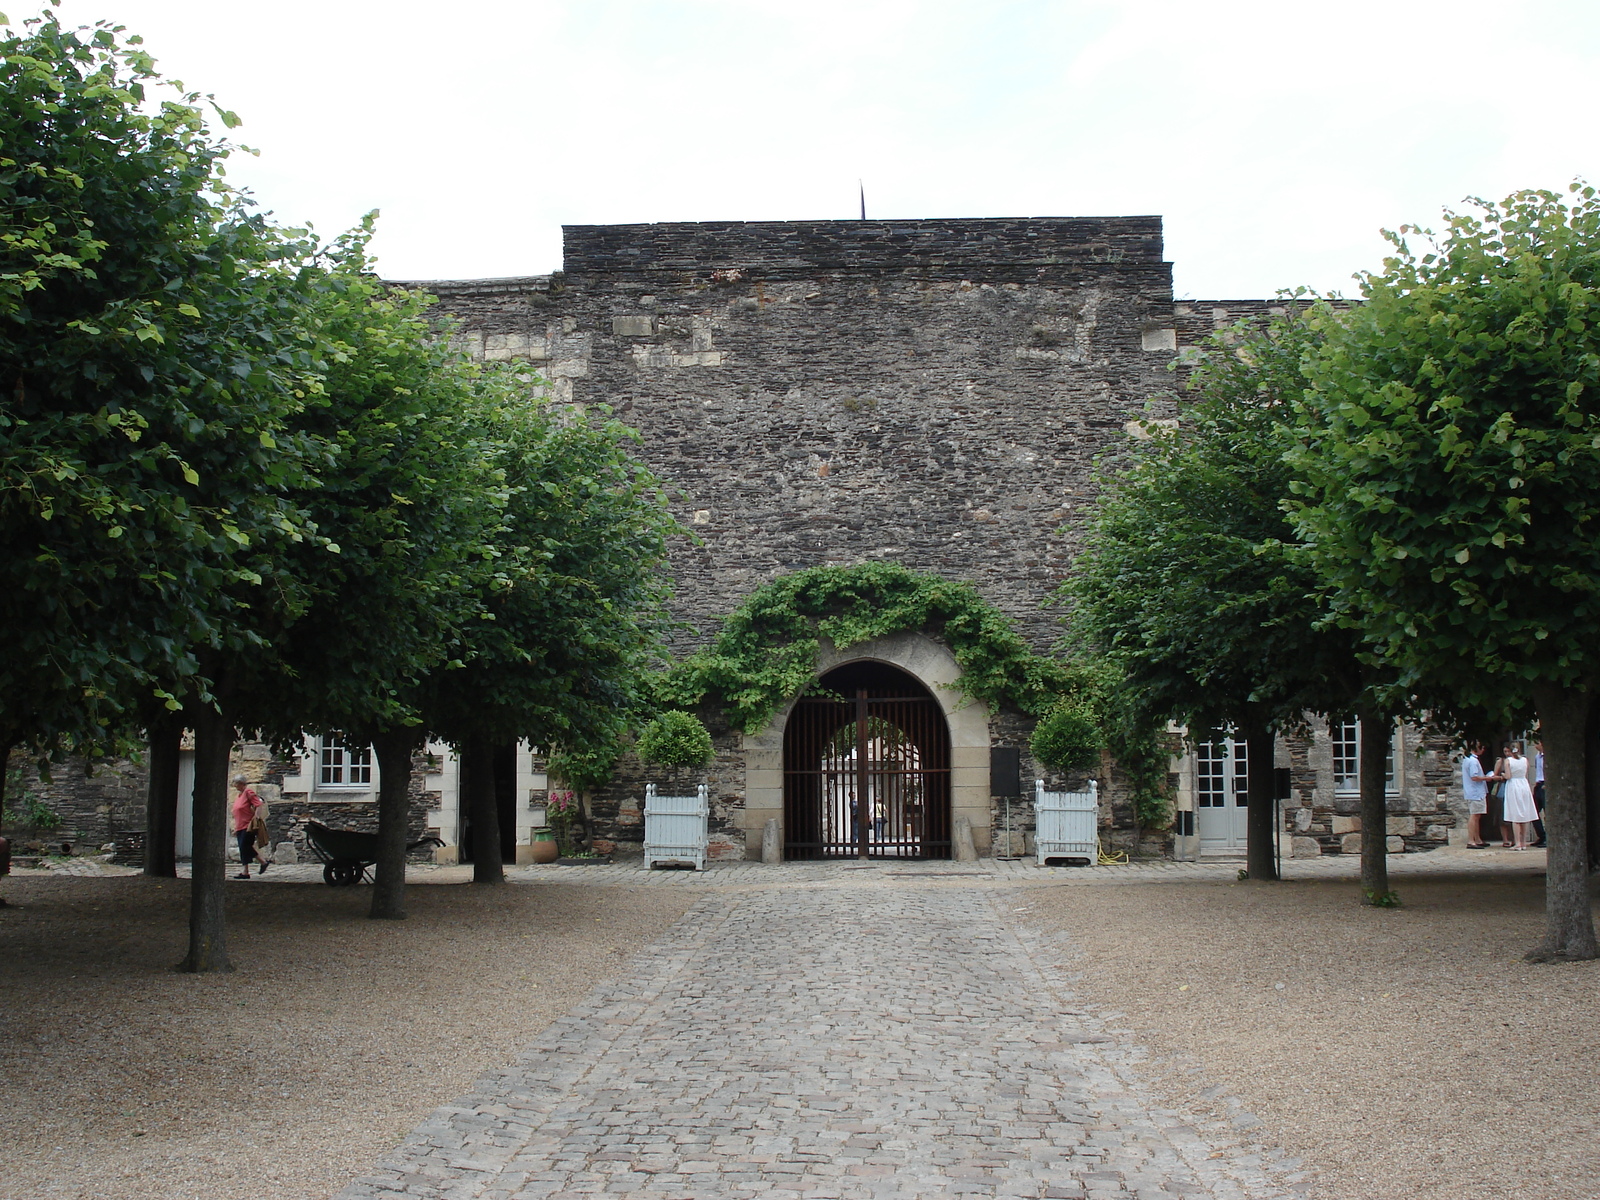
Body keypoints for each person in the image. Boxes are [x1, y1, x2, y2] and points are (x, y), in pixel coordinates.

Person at [1499, 743, 1539, 850]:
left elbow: (1508, 776)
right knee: (1524, 815)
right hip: (1523, 785)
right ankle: (1523, 843)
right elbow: (1525, 775)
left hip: (1513, 786)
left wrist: (1502, 775)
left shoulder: (1508, 761)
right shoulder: (1525, 760)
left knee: (1515, 815)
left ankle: (1517, 843)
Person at [231, 774, 270, 879]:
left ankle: (262, 862)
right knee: (243, 848)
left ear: (241, 783)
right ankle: (246, 872)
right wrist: (235, 828)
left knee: (245, 846)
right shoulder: (239, 795)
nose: (234, 785)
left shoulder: (248, 792)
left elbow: (258, 804)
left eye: (235, 783)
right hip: (240, 826)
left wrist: (256, 818)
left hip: (248, 826)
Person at [1461, 742, 1491, 848]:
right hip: (1475, 792)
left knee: (1477, 815)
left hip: (1474, 792)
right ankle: (1471, 840)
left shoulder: (1467, 759)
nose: (1483, 750)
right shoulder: (1473, 761)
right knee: (1474, 815)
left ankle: (1477, 839)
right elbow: (1474, 777)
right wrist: (1488, 778)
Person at [1532, 740, 1547, 848]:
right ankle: (1542, 836)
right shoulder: (1537, 757)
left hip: (1545, 784)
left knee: (1547, 811)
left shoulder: (1546, 756)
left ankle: (1548, 837)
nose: (1535, 745)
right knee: (1534, 812)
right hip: (1538, 784)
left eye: (1537, 743)